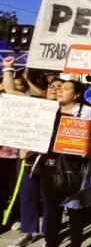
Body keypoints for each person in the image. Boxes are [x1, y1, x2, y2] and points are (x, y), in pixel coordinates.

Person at [3, 56, 60, 247]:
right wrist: (8, 68)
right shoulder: (35, 102)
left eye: (59, 88)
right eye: (52, 87)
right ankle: (28, 230)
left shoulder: (67, 110)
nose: (54, 90)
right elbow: (10, 90)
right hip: (27, 158)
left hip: (51, 161)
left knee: (50, 200)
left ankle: (49, 234)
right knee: (28, 197)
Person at [40, 80, 91, 247]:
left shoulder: (86, 111)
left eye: (66, 88)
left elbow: (87, 136)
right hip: (49, 165)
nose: (60, 91)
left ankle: (75, 241)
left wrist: (84, 146)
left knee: (74, 206)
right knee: (51, 208)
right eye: (59, 88)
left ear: (77, 94)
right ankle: (51, 242)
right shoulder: (49, 109)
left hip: (73, 166)